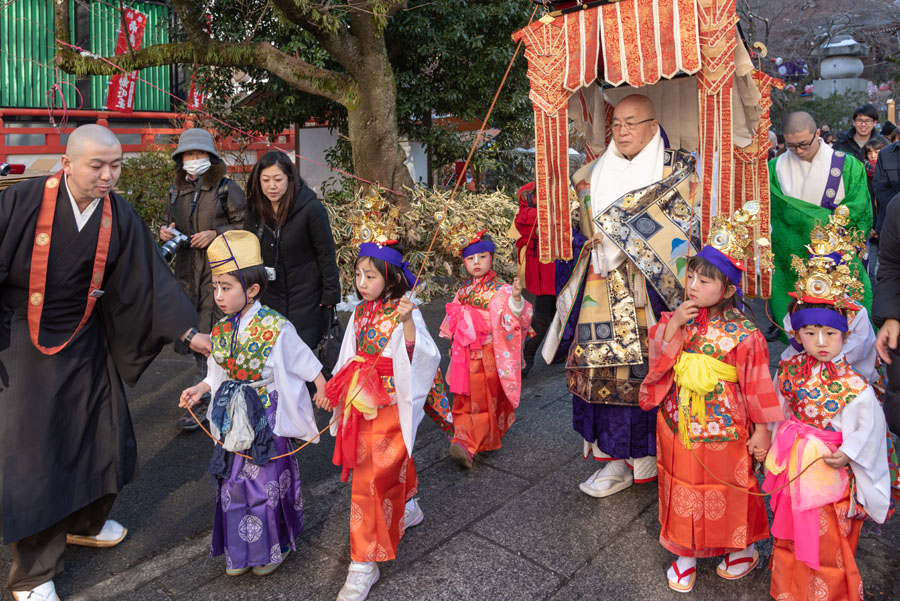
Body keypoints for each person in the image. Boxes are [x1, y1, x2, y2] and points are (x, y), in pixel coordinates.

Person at [0, 124, 209, 600]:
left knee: (104, 434)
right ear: (67, 163)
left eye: (116, 166)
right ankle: (31, 576)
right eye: (97, 165)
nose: (108, 176)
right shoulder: (21, 201)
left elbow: (146, 281)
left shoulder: (118, 213)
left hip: (84, 337)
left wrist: (190, 332)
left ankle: (84, 522)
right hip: (22, 337)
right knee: (37, 459)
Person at [541, 94, 697, 498]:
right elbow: (579, 233)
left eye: (632, 123)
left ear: (651, 125)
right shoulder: (590, 175)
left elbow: (687, 234)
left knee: (656, 369)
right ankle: (612, 459)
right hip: (601, 285)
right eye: (617, 124)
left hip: (655, 288)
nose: (623, 131)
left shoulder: (678, 169)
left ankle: (654, 455)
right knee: (601, 374)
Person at [639, 206, 782, 592]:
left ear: (730, 289)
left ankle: (740, 550)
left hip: (728, 427)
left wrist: (763, 430)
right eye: (691, 276)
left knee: (731, 488)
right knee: (682, 484)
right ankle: (684, 552)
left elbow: (757, 385)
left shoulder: (746, 333)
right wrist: (672, 326)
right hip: (680, 421)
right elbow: (658, 358)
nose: (693, 285)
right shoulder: (679, 316)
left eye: (705, 280)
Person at [179, 230, 325, 577]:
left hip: (265, 416)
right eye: (215, 287)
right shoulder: (222, 330)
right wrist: (200, 389)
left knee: (266, 482)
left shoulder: (276, 326)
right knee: (233, 484)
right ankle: (242, 552)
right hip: (233, 413)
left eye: (226, 288)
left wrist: (322, 387)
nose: (218, 296)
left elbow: (304, 362)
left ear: (253, 289)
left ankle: (276, 547)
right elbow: (217, 372)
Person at [763, 214, 894, 601]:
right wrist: (774, 443)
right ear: (796, 333)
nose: (820, 341)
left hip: (831, 467)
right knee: (788, 528)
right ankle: (788, 590)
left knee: (829, 536)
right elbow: (780, 410)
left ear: (845, 333)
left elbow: (868, 431)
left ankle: (830, 592)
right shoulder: (788, 368)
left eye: (830, 333)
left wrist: (848, 452)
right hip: (795, 462)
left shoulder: (854, 386)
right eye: (809, 333)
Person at [318, 215, 442, 601]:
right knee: (376, 470)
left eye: (370, 276)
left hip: (390, 401)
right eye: (358, 274)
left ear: (390, 278)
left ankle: (363, 562)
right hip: (361, 401)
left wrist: (406, 323)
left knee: (370, 480)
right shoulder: (359, 313)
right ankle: (409, 503)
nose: (361, 282)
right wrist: (334, 390)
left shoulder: (404, 311)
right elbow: (347, 357)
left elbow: (422, 354)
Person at [161, 128, 246, 431]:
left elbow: (246, 227)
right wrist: (165, 232)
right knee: (199, 339)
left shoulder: (226, 188)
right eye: (188, 155)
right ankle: (209, 399)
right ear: (181, 159)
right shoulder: (176, 190)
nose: (193, 160)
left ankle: (218, 399)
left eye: (199, 154)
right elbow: (168, 221)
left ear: (210, 158)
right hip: (187, 275)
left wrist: (216, 234)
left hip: (221, 274)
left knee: (222, 337)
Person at [769, 111, 872, 336]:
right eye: (792, 146)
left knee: (840, 323)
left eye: (804, 144)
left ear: (818, 134)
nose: (799, 151)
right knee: (800, 325)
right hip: (793, 258)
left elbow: (860, 208)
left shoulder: (848, 166)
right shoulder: (774, 168)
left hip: (834, 258)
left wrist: (821, 225)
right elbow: (772, 212)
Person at [440, 229, 533, 469]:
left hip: (488, 352)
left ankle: (470, 444)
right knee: (462, 396)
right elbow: (453, 319)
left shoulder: (500, 289)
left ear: (491, 258)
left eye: (482, 256)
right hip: (464, 353)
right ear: (464, 263)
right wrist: (453, 342)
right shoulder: (463, 291)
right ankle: (461, 437)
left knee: (482, 399)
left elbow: (513, 318)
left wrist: (515, 300)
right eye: (470, 258)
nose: (476, 262)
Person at [244, 150, 341, 350]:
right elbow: (248, 251)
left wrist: (330, 295)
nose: (272, 186)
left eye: (278, 179)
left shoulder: (311, 208)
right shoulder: (256, 210)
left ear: (290, 178)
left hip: (306, 297)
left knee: (303, 355)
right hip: (269, 296)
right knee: (273, 354)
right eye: (266, 180)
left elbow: (326, 253)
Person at [513, 182, 555, 376]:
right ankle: (528, 355)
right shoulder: (529, 193)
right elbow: (521, 222)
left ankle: (560, 351)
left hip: (576, 255)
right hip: (546, 261)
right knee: (545, 310)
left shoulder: (571, 187)